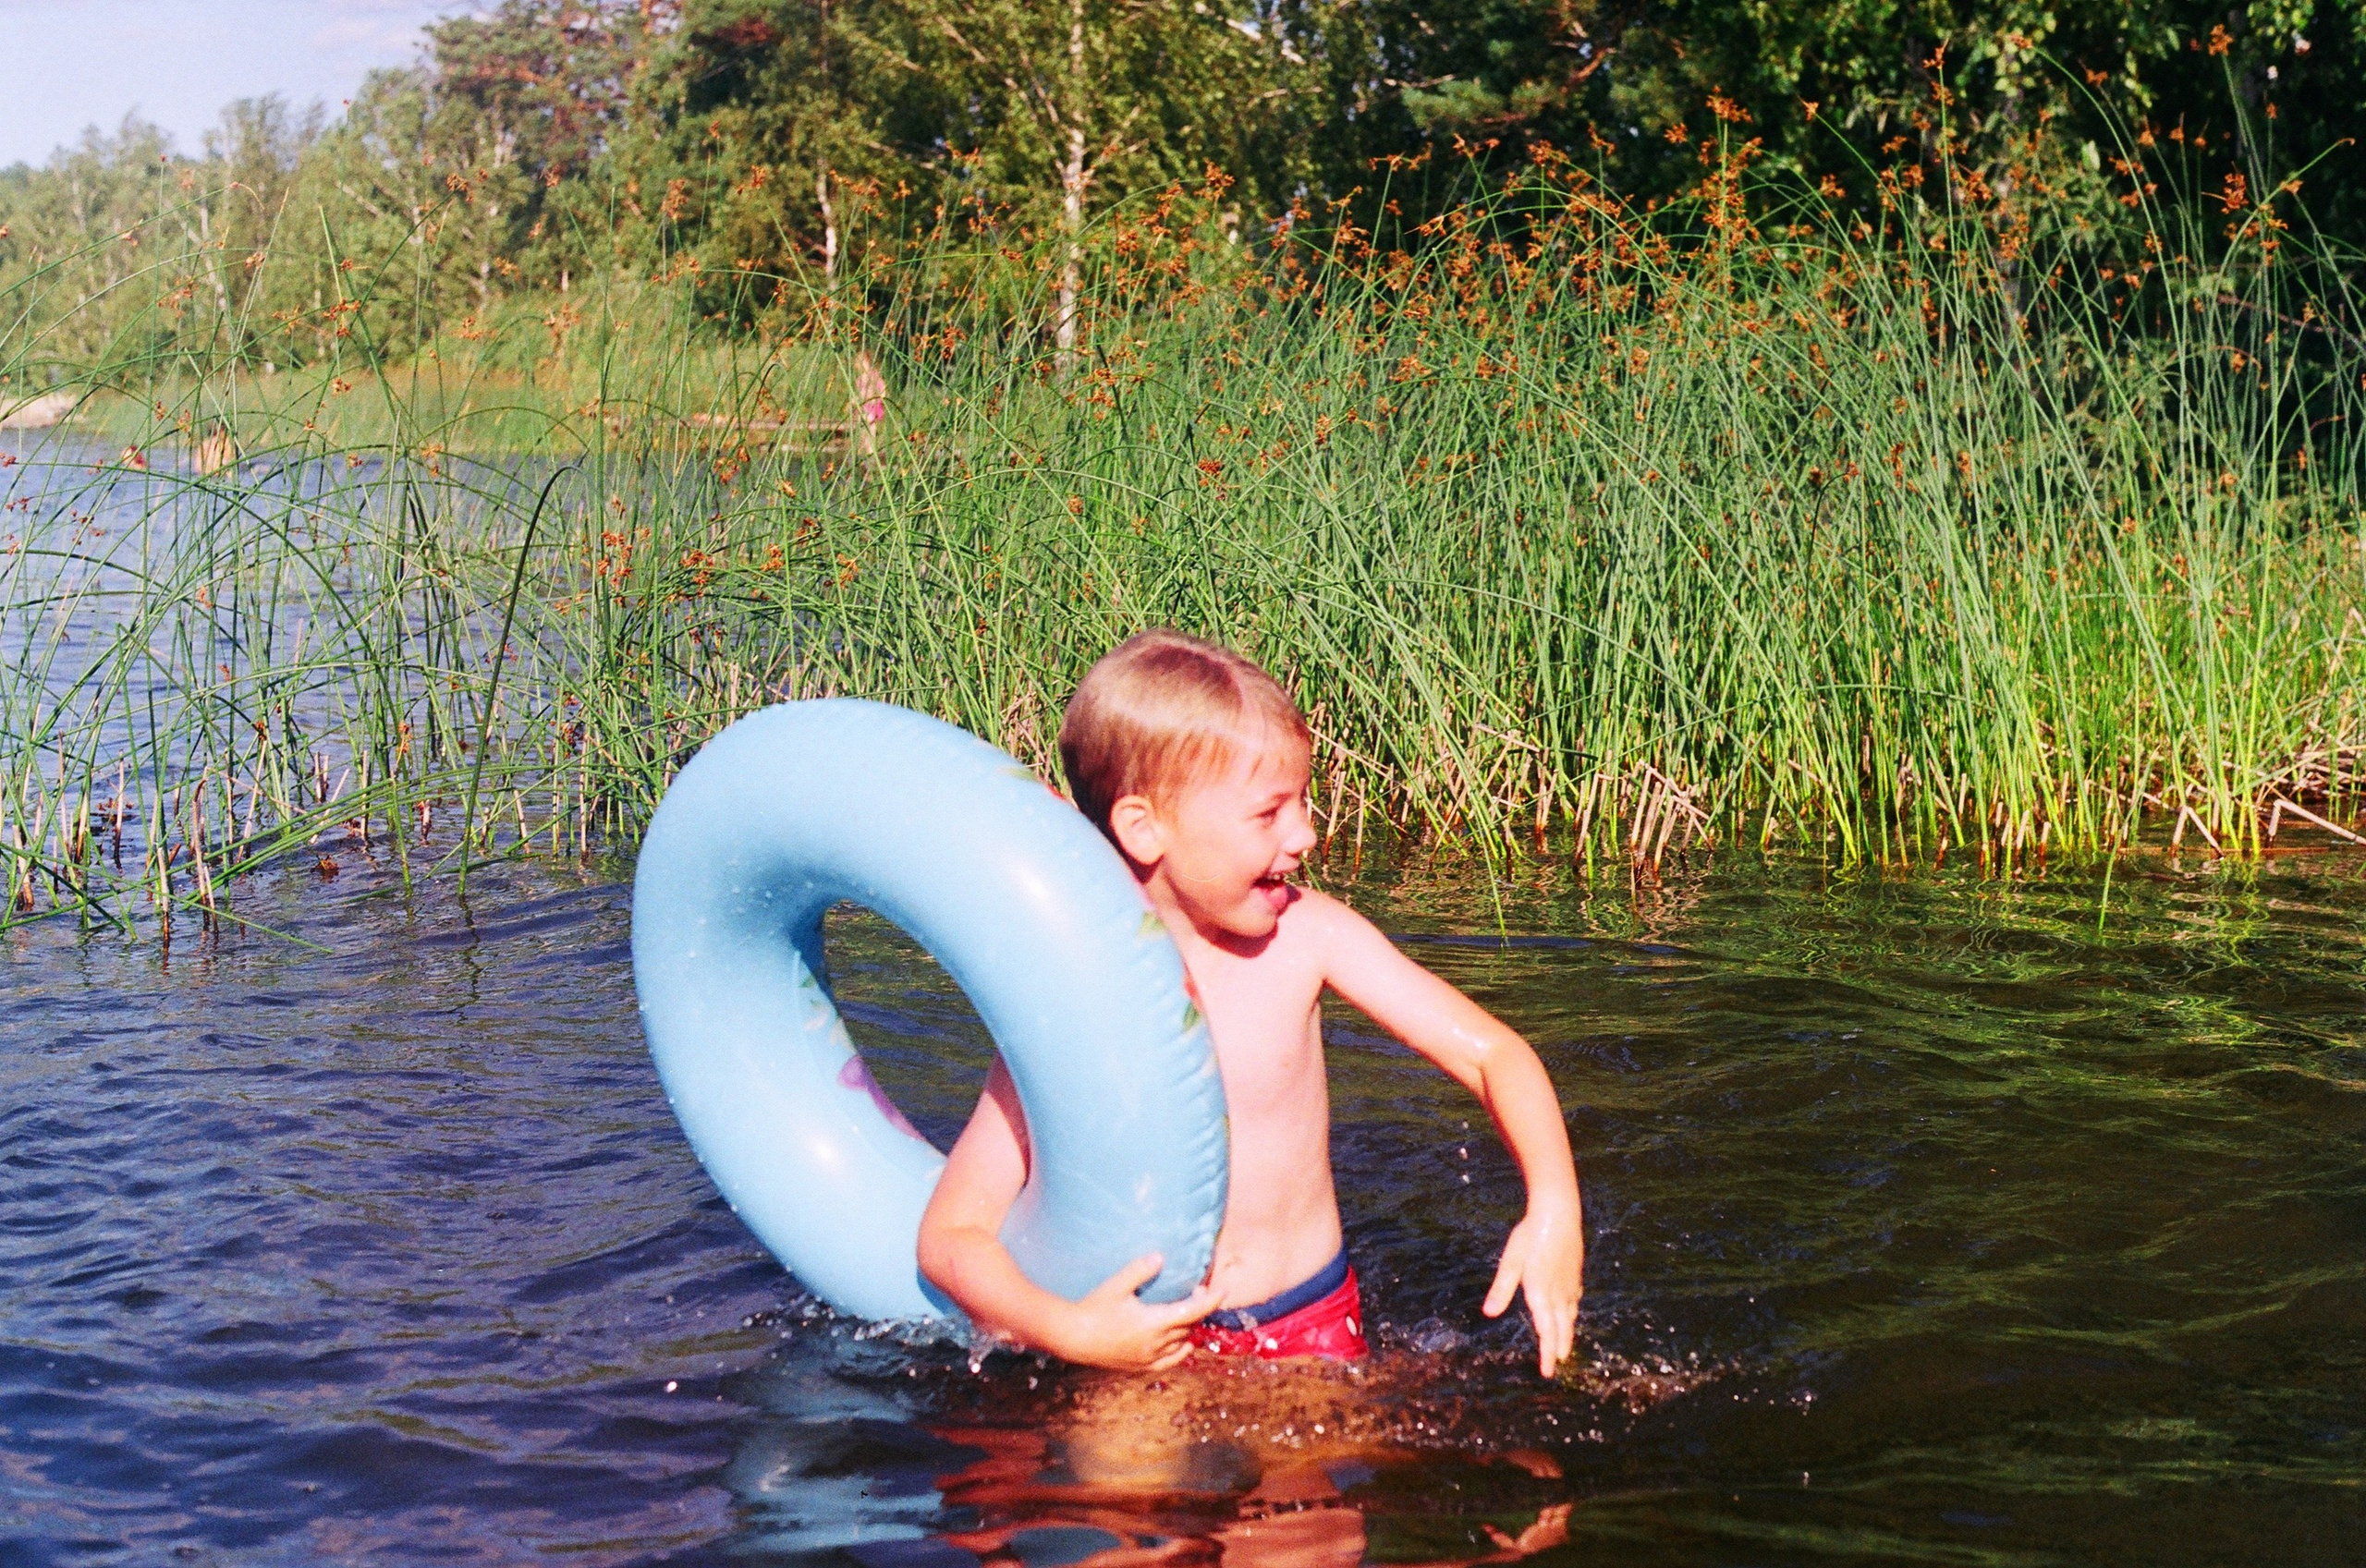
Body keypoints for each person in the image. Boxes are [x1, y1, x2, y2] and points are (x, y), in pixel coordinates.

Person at [916, 630, 1584, 1377]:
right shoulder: (1074, 1006)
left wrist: (1554, 1203)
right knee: (1112, 1492)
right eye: (1269, 813)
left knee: (1325, 1490)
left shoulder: (1308, 936)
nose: (1305, 833)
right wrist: (1070, 1332)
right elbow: (951, 1236)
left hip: (1307, 1325)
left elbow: (1495, 1054)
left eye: (1303, 801)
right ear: (1145, 827)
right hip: (1140, 1342)